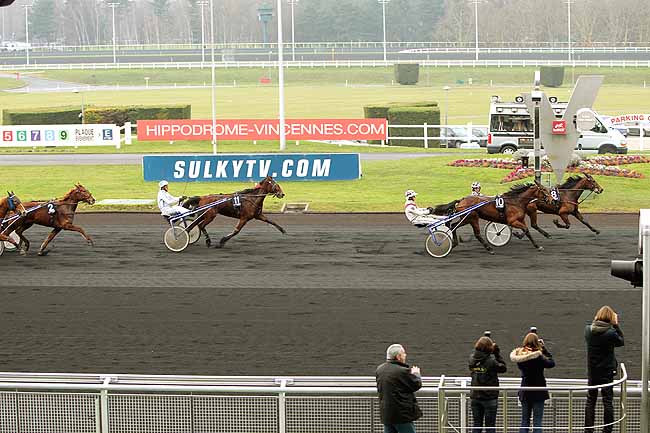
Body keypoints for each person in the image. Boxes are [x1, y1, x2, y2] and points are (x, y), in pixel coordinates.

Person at [584, 306, 624, 433]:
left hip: (593, 371)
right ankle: (607, 430)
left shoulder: (588, 330)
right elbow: (621, 341)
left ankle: (588, 430)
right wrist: (616, 325)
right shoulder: (611, 333)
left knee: (591, 400)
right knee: (607, 401)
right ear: (610, 318)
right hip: (607, 372)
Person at [510, 332, 555, 433]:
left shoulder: (520, 357)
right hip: (539, 391)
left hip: (525, 391)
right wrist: (544, 350)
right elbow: (551, 363)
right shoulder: (539, 357)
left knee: (524, 421)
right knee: (537, 422)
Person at [376, 344, 423, 433]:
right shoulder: (402, 371)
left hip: (387, 415)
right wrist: (416, 374)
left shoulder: (380, 369)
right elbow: (417, 384)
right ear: (398, 356)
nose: (405, 355)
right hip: (402, 416)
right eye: (404, 353)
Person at [469, 335, 507, 433]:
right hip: (489, 397)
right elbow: (503, 368)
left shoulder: (471, 358)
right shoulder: (491, 361)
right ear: (489, 348)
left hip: (475, 396)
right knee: (490, 426)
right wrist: (497, 354)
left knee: (477, 426)